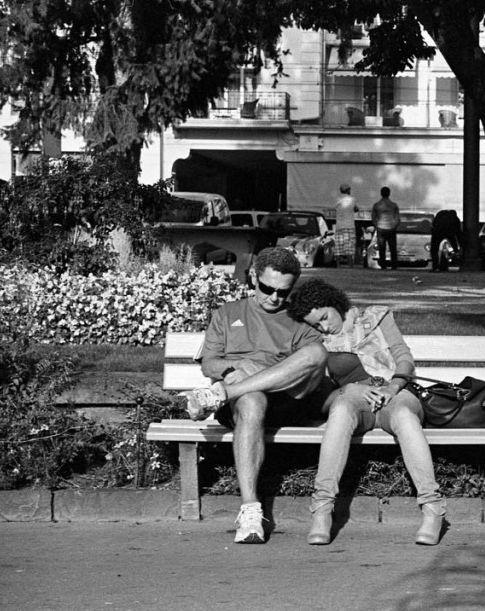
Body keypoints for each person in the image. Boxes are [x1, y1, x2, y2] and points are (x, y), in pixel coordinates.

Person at [182, 247, 330, 545]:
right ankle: (251, 512)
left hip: (288, 399)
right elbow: (209, 363)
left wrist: (253, 374)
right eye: (267, 288)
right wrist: (239, 365)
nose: (274, 297)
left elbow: (309, 370)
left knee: (316, 351)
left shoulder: (300, 320)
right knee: (251, 400)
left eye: (283, 292)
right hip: (241, 404)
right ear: (253, 277)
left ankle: (224, 393)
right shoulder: (228, 313)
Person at [287, 278, 447, 546]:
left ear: (335, 302)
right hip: (353, 401)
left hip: (395, 394)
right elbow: (320, 386)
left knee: (405, 418)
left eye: (325, 317)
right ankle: (322, 509)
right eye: (317, 324)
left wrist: (393, 387)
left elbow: (403, 357)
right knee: (339, 413)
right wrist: (350, 390)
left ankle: (433, 509)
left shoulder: (376, 316)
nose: (325, 327)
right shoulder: (316, 338)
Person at [371, 186, 400, 270]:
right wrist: (394, 226)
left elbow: (373, 217)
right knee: (393, 248)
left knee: (382, 248)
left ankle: (383, 265)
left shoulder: (376, 205)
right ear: (389, 194)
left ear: (381, 194)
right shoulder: (394, 205)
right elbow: (397, 218)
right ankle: (394, 265)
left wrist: (377, 226)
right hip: (391, 228)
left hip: (381, 228)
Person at [334, 183, 359, 266]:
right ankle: (350, 265)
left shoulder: (337, 200)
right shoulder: (352, 199)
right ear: (348, 190)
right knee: (349, 247)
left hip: (339, 226)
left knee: (338, 247)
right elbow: (356, 209)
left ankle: (338, 265)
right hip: (349, 226)